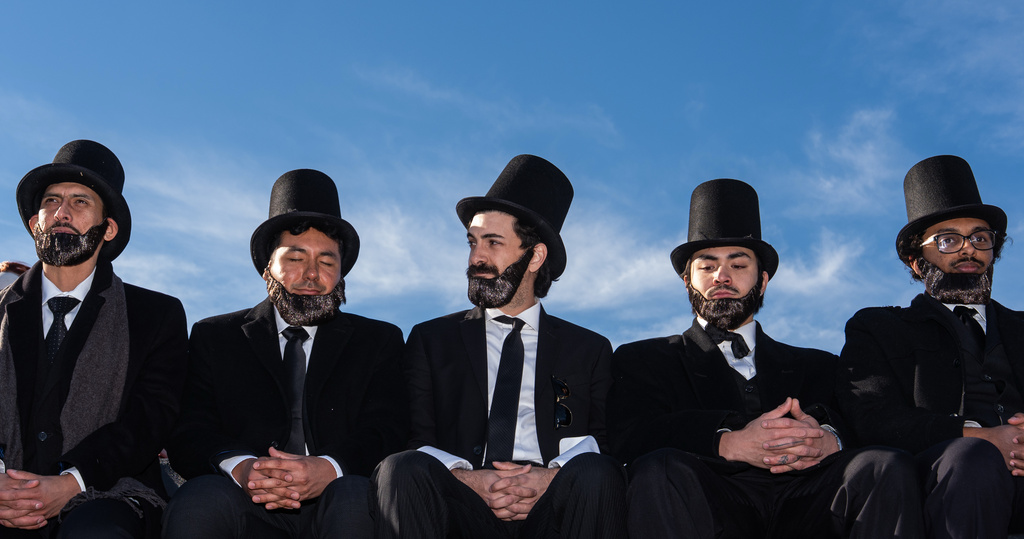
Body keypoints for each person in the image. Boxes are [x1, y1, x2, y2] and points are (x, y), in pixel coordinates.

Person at [610, 178, 923, 538]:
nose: (721, 277)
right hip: (706, 501)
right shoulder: (643, 358)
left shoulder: (821, 366)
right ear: (687, 282)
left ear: (762, 282)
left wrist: (830, 440)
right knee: (659, 469)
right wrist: (726, 442)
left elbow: (863, 424)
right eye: (707, 267)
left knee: (884, 466)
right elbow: (629, 439)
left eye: (738, 265)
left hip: (810, 503)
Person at [371, 154, 627, 539]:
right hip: (462, 503)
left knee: (598, 472)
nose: (476, 257)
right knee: (400, 467)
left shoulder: (588, 349)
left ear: (535, 256)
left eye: (493, 242)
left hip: (553, 507)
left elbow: (604, 444)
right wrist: (466, 478)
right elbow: (416, 438)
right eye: (473, 242)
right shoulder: (431, 340)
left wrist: (551, 477)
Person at [164, 169, 408, 539]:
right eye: (295, 258)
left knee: (354, 498)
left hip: (341, 497)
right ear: (268, 269)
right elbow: (191, 429)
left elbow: (389, 428)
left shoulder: (379, 340)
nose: (311, 274)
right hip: (244, 498)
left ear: (341, 275)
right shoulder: (215, 336)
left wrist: (329, 468)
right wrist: (243, 468)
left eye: (327, 261)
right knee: (199, 500)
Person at [0, 140, 188, 537]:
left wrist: (72, 482)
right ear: (35, 223)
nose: (62, 213)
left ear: (109, 228)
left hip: (109, 494)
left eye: (80, 202)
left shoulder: (156, 315)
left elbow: (149, 418)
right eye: (51, 201)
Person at [838, 154, 1024, 538]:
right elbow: (872, 419)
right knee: (971, 458)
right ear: (915, 261)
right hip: (946, 477)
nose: (969, 250)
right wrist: (979, 436)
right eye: (949, 240)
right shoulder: (879, 328)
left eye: (980, 238)